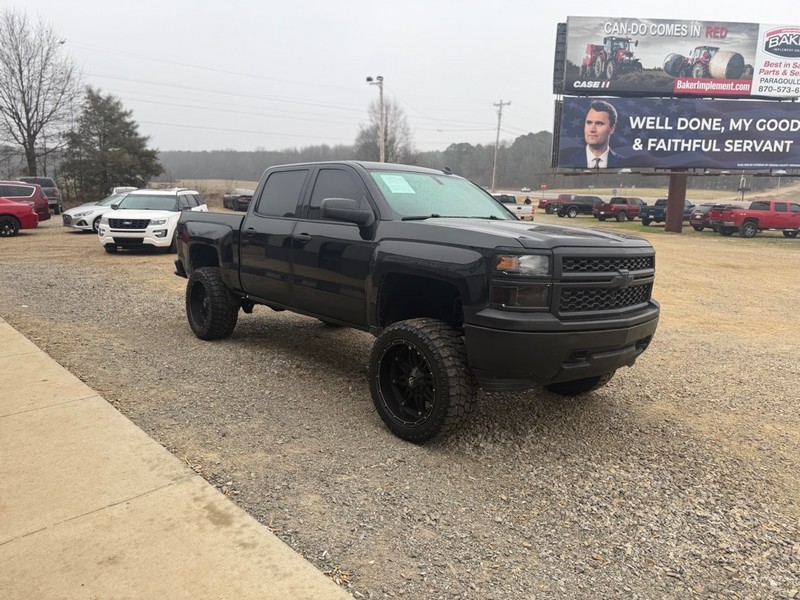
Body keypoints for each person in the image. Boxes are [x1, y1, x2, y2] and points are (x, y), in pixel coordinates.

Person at [562, 99, 623, 169]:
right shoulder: (568, 161)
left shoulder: (622, 163)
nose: (592, 129)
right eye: (589, 123)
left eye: (599, 123)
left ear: (612, 129)